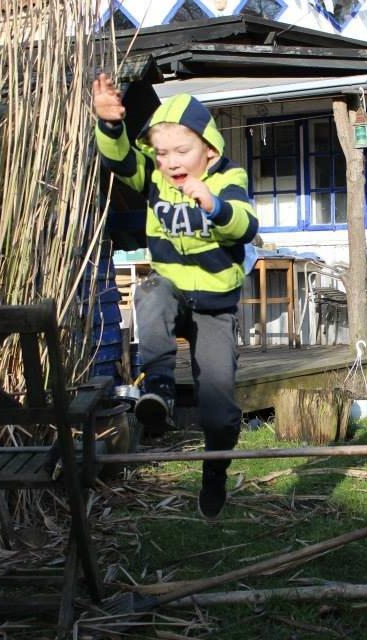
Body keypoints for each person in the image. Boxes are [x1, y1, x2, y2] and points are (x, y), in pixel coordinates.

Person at [92, 74, 259, 519]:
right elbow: (120, 160)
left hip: (215, 306)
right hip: (172, 290)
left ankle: (215, 471)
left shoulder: (228, 178)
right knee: (150, 291)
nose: (171, 162)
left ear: (209, 148)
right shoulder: (154, 176)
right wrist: (110, 125)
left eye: (181, 152)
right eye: (162, 153)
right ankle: (160, 390)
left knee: (220, 408)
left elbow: (246, 225)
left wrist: (213, 205)